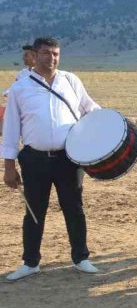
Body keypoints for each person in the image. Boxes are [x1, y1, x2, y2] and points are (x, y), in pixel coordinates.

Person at [2, 37, 102, 281]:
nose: (52, 58)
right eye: (46, 53)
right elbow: (12, 129)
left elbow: (91, 108)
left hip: (69, 159)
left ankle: (81, 258)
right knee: (34, 211)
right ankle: (30, 262)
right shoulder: (20, 88)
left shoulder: (71, 81)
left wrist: (109, 124)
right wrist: (9, 168)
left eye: (56, 53)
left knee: (74, 208)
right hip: (34, 160)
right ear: (34, 56)